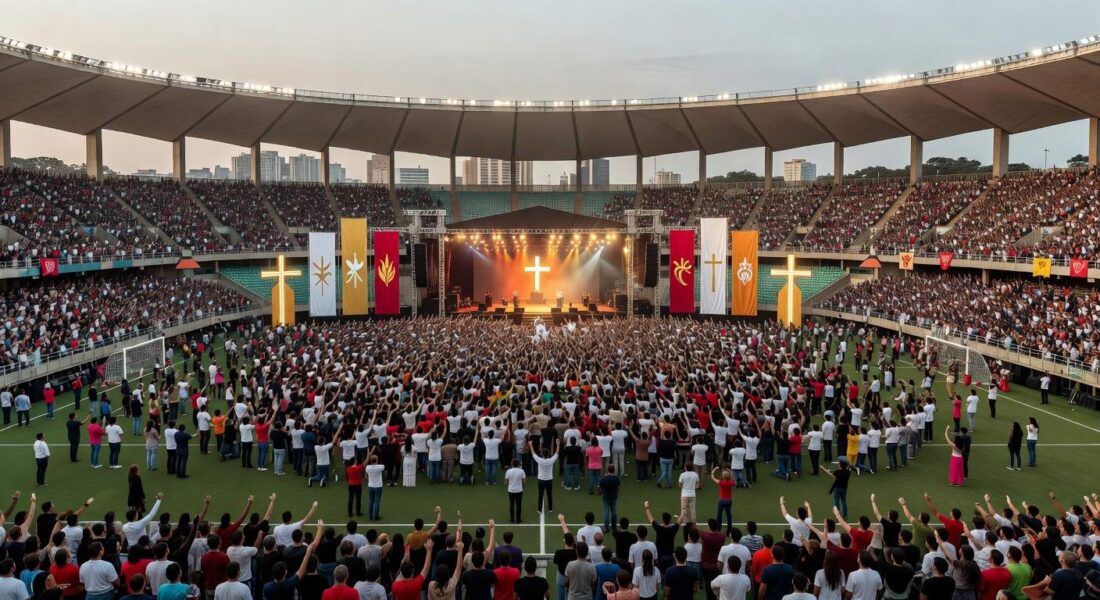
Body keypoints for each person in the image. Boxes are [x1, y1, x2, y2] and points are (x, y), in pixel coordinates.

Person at [598, 466, 620, 532]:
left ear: (608, 470)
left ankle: (606, 528)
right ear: (614, 470)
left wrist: (600, 492)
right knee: (614, 512)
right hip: (613, 497)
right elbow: (618, 488)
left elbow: (599, 487)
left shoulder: (604, 478)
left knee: (606, 513)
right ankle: (614, 527)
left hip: (606, 497)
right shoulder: (616, 478)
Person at [505, 459, 526, 524]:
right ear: (518, 464)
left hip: (511, 490)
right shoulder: (521, 471)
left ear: (512, 464)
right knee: (519, 504)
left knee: (512, 504)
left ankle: (512, 519)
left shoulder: (508, 471)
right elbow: (524, 481)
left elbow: (505, 482)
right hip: (519, 490)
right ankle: (518, 519)